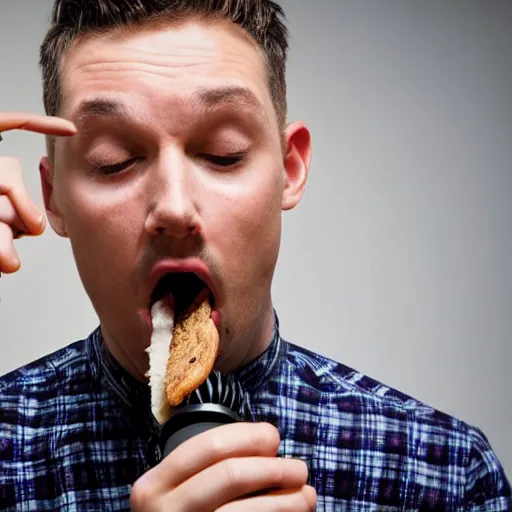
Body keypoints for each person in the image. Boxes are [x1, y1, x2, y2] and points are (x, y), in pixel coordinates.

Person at [0, 0, 510, 510]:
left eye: (224, 153)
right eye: (114, 162)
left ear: (289, 169)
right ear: (53, 198)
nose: (175, 208)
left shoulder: (443, 473)